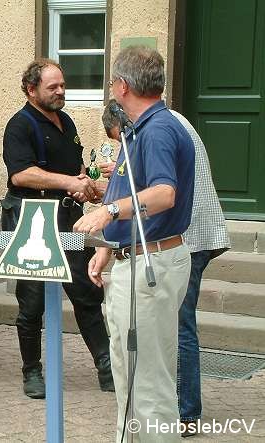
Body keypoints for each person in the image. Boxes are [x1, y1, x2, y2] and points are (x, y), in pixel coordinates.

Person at [74, 46, 195, 442]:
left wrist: (106, 215)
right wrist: (109, 246)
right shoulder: (140, 129)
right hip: (138, 257)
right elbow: (137, 195)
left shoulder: (158, 129)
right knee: (130, 377)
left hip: (152, 263)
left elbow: (163, 194)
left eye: (112, 82)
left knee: (149, 386)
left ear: (123, 85)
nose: (111, 89)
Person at [101, 101, 231, 438]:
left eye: (118, 140)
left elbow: (162, 194)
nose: (120, 147)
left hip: (183, 238)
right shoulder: (158, 126)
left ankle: (186, 412)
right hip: (173, 239)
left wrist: (112, 208)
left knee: (174, 333)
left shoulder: (157, 129)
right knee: (164, 341)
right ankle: (180, 412)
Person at [1, 59, 114, 400]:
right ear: (31, 89)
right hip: (31, 219)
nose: (61, 91)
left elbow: (76, 167)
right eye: (53, 87)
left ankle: (107, 365)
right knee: (32, 301)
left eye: (63, 85)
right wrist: (70, 182)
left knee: (87, 290)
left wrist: (90, 184)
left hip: (70, 218)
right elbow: (21, 175)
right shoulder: (18, 125)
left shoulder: (65, 121)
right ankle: (31, 371)